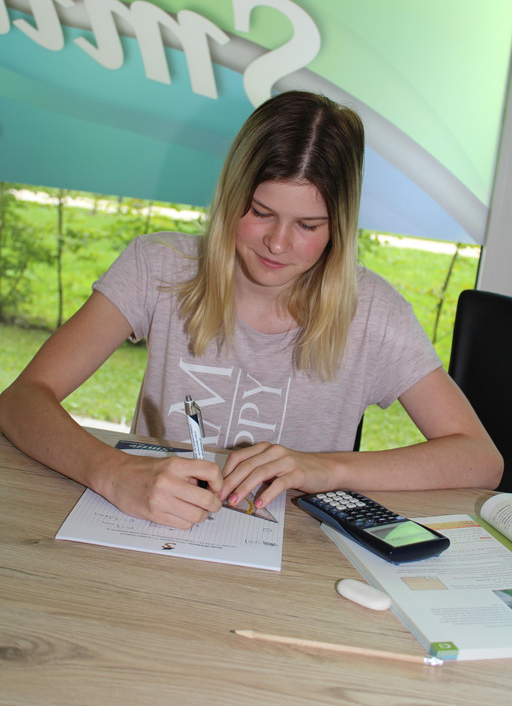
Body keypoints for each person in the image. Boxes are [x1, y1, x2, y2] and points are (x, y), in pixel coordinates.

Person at [0, 91, 503, 529]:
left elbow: (480, 458)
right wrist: (113, 473)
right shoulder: (158, 268)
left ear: (340, 227)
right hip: (156, 533)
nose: (278, 243)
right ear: (230, 197)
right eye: (261, 213)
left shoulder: (372, 313)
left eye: (308, 225)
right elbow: (21, 400)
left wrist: (329, 468)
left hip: (292, 559)